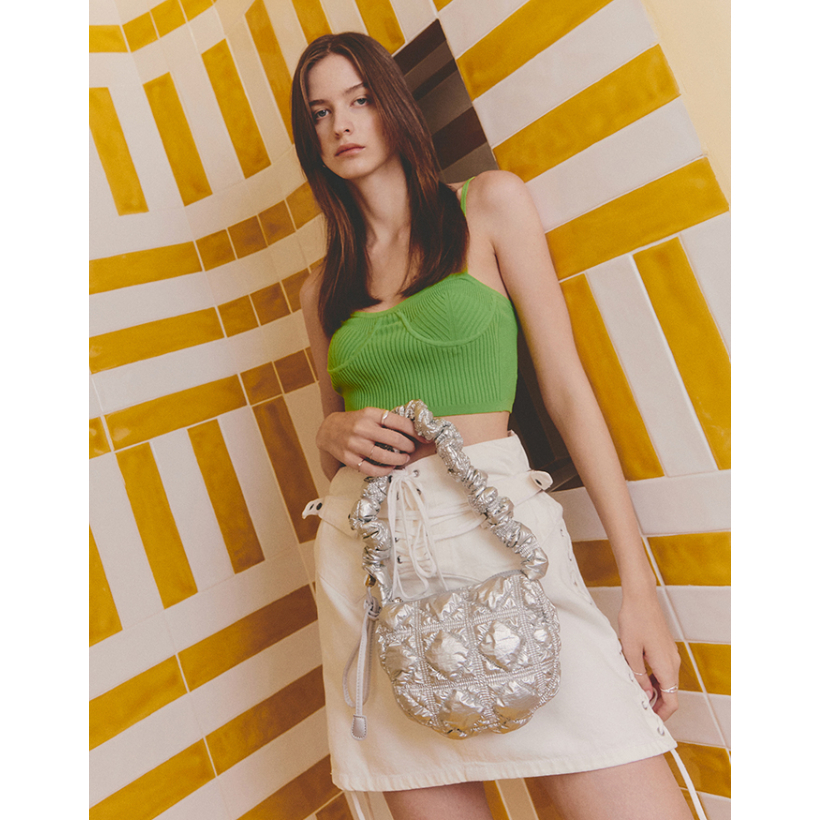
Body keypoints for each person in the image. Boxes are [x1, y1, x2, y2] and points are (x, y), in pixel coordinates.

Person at [293, 32, 692, 820]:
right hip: (374, 569)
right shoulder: (321, 287)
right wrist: (327, 433)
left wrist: (638, 589)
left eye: (360, 99)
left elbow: (568, 393)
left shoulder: (487, 205)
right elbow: (335, 438)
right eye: (320, 112)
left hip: (495, 530)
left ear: (393, 105)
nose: (342, 124)